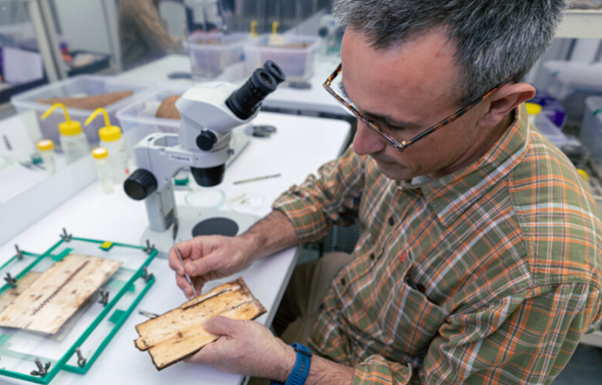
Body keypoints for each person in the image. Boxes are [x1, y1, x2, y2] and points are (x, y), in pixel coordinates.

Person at [168, 0, 602, 383]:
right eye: (353, 105)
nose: (360, 145)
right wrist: (248, 244)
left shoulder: (543, 273)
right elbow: (332, 189)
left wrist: (290, 366)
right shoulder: (412, 122)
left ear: (498, 105)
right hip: (346, 297)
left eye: (392, 126)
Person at [118, 0, 185, 70]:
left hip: (153, 65)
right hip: (140, 71)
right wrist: (192, 42)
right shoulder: (138, 2)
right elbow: (166, 45)